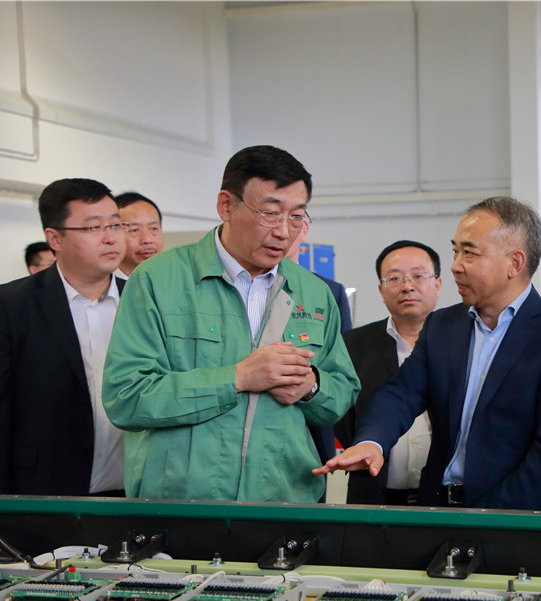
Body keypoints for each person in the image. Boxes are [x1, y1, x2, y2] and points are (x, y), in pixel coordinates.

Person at [103, 145, 360, 502]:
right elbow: (126, 398)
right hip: (182, 505)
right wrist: (236, 378)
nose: (284, 232)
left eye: (297, 217)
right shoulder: (157, 281)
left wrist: (312, 387)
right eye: (270, 213)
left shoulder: (313, 293)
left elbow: (343, 391)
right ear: (226, 205)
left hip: (283, 502)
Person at [315, 196, 541, 511]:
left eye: (469, 253)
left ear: (515, 263)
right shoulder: (443, 326)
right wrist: (371, 441)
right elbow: (401, 393)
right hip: (439, 512)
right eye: (455, 251)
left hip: (517, 520)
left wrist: (485, 518)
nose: (456, 265)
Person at [0, 178, 126, 496]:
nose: (110, 238)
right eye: (93, 228)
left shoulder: (143, 301)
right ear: (55, 239)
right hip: (45, 493)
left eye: (116, 225)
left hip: (133, 493)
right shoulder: (8, 305)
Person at [334, 240, 443, 505]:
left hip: (443, 500)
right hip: (372, 495)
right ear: (381, 290)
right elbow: (341, 418)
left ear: (438, 284)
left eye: (418, 276)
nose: (407, 286)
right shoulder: (351, 345)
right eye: (394, 278)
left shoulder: (460, 342)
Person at [286, 218, 352, 470]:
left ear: (305, 230)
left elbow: (342, 370)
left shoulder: (328, 291)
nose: (282, 232)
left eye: (293, 219)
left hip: (312, 429)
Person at [114, 192, 163, 278]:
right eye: (134, 230)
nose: (147, 240)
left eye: (153, 228)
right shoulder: (103, 284)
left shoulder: (178, 280)